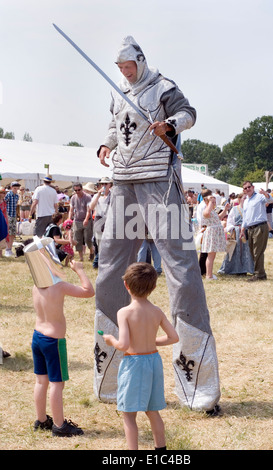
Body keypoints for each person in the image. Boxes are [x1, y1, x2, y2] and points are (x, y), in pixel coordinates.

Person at [94, 36, 221, 414]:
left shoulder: (164, 86)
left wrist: (170, 123)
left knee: (181, 270)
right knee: (108, 270)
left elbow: (189, 113)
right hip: (123, 183)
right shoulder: (119, 92)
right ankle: (111, 375)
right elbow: (116, 127)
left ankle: (197, 384)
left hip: (159, 181)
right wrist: (106, 144)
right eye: (119, 68)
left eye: (128, 66)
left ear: (141, 60)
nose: (124, 72)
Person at [102, 262, 179, 450]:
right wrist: (152, 342)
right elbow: (173, 337)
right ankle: (161, 450)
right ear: (153, 287)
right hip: (153, 361)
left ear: (126, 285)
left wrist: (110, 339)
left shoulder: (124, 312)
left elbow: (123, 345)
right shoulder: (156, 311)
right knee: (153, 411)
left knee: (129, 414)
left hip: (133, 364)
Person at [31, 258, 94, 437]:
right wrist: (79, 270)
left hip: (37, 337)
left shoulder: (36, 287)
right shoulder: (59, 287)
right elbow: (89, 291)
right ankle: (59, 426)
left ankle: (41, 420)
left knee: (41, 381)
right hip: (53, 342)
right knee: (57, 384)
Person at [240, 181, 273, 282]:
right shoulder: (246, 201)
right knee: (252, 251)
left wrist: (265, 194)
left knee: (257, 251)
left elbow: (270, 200)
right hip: (250, 229)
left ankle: (258, 275)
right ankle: (261, 274)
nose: (247, 189)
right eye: (245, 188)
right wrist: (242, 229)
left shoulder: (259, 196)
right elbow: (245, 217)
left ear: (253, 187)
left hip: (260, 226)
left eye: (249, 187)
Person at [218, 193, 254, 276]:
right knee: (235, 250)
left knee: (247, 250)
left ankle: (246, 269)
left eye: (247, 198)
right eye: (244, 198)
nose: (245, 200)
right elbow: (229, 222)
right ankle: (234, 269)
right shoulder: (234, 209)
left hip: (247, 231)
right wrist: (231, 231)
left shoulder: (249, 209)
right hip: (237, 231)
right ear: (239, 199)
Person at [201, 195, 229, 280]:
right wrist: (210, 202)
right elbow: (206, 213)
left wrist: (225, 210)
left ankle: (209, 274)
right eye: (212, 202)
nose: (213, 203)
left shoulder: (212, 211)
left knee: (212, 255)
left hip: (214, 233)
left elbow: (219, 217)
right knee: (211, 255)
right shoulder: (206, 210)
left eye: (214, 202)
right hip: (211, 234)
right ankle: (208, 275)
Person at [88, 177, 113, 267]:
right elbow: (91, 207)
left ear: (110, 185)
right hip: (99, 219)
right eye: (102, 184)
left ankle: (103, 262)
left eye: (106, 184)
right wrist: (98, 195)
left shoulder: (113, 195)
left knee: (109, 242)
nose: (104, 186)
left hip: (110, 220)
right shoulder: (97, 196)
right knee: (99, 243)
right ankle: (97, 263)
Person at [68, 182, 94, 262]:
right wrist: (69, 220)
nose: (77, 191)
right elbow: (71, 210)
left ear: (82, 189)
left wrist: (86, 219)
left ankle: (92, 252)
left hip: (87, 220)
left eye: (79, 190)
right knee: (77, 240)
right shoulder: (73, 198)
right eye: (75, 190)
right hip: (77, 220)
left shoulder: (88, 197)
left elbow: (88, 210)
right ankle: (81, 258)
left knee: (87, 239)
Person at [4, 181, 20, 257]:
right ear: (11, 188)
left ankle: (10, 249)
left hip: (13, 216)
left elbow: (16, 207)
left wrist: (17, 215)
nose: (16, 189)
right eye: (14, 188)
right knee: (8, 233)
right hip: (8, 216)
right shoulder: (8, 195)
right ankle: (7, 249)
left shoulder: (17, 196)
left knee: (13, 233)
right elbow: (4, 204)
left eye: (17, 188)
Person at [0, 186, 9, 257]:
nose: (4, 194)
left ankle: (1, 254)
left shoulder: (4, 201)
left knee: (3, 235)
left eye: (4, 193)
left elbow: (5, 211)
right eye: (2, 193)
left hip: (3, 220)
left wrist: (7, 221)